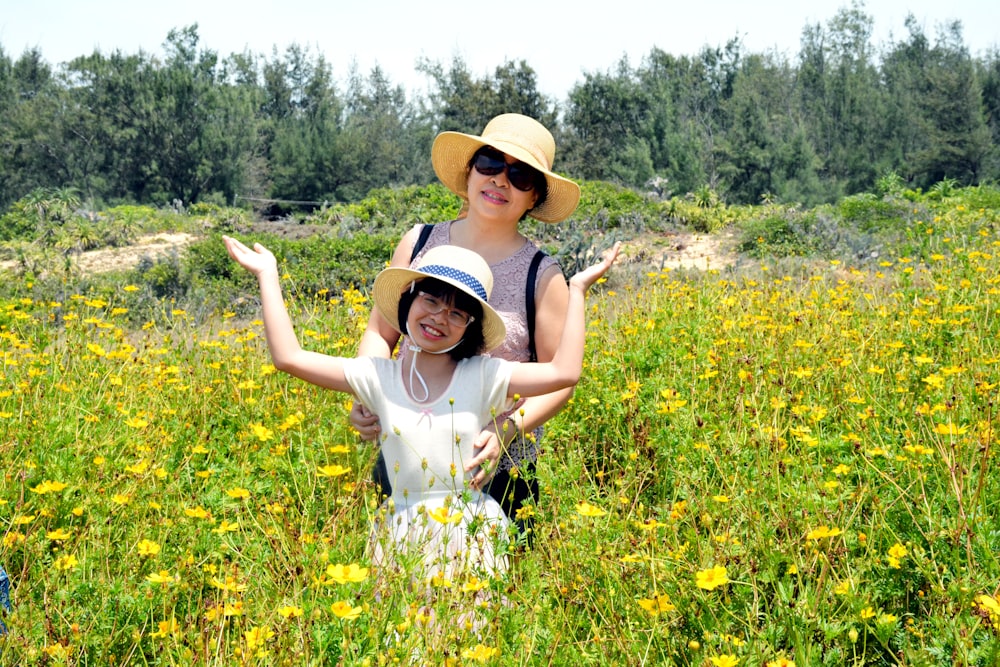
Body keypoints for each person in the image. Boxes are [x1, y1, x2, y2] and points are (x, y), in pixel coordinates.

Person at [222, 237, 620, 580]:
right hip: (398, 536)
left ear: (470, 327)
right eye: (430, 299)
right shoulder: (379, 377)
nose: (439, 318)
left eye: (457, 312)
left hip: (471, 535)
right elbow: (289, 357)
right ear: (408, 301)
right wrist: (267, 274)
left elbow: (565, 373)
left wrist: (578, 290)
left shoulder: (484, 374)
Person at [352, 113, 582, 531]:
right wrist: (370, 396)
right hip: (406, 458)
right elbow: (379, 334)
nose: (499, 181)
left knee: (490, 594)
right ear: (470, 171)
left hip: (495, 472)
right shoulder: (419, 241)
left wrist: (506, 429)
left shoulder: (542, 275)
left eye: (520, 175)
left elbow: (559, 382)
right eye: (490, 163)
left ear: (534, 198)